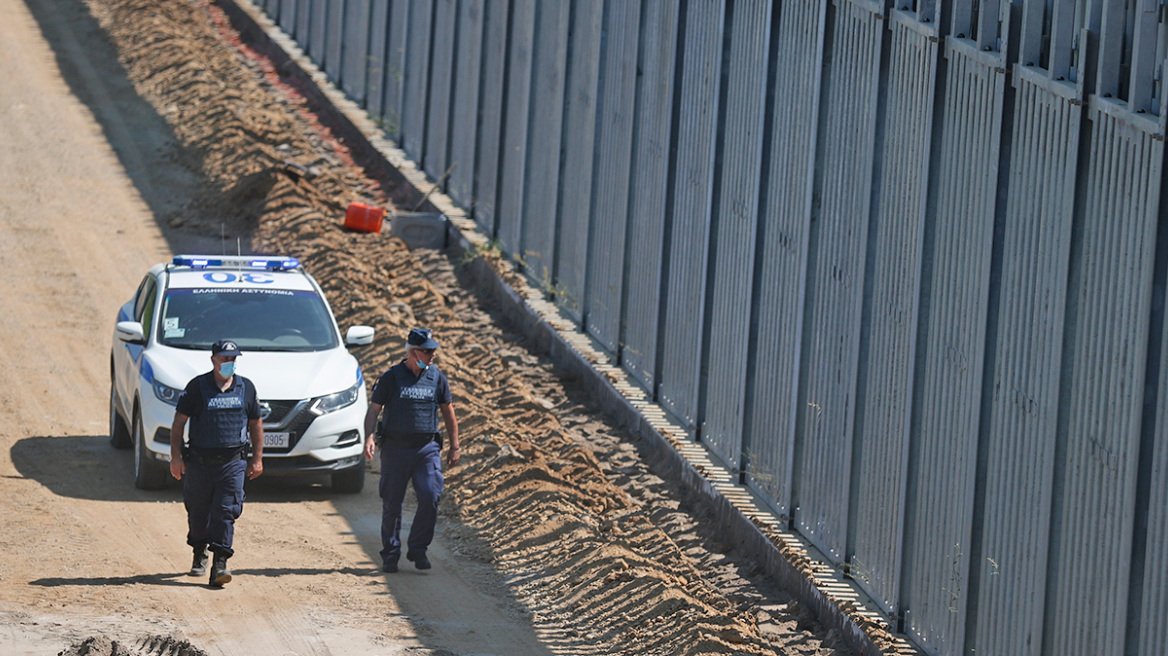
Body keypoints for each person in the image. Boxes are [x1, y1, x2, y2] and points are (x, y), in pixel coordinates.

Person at [364, 328, 460, 573]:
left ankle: (418, 549)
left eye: (433, 351)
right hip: (395, 449)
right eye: (427, 351)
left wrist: (454, 446)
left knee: (430, 496)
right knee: (392, 503)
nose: (432, 356)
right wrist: (369, 437)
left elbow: (449, 412)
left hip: (425, 450)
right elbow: (374, 409)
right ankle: (391, 554)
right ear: (413, 352)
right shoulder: (391, 377)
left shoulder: (437, 378)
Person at [169, 339, 264, 587]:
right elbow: (179, 423)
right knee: (198, 511)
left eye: (233, 359)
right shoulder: (197, 387)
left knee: (225, 512)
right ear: (213, 360)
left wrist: (257, 459)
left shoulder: (246, 388)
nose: (229, 364)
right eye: (225, 359)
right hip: (199, 464)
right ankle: (199, 551)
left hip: (232, 463)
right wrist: (176, 457)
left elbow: (256, 425)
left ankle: (220, 563)